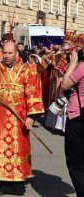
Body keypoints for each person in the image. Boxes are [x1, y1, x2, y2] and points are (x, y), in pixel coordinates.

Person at [0, 42, 44, 195]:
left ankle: (15, 184)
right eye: (4, 53)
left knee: (17, 150)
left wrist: (31, 117)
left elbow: (33, 94)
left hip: (18, 119)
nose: (6, 56)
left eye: (9, 53)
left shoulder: (26, 71)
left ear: (16, 54)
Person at [62, 50, 84, 197]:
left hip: (78, 118)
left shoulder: (82, 67)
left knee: (76, 165)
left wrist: (73, 63)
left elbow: (64, 84)